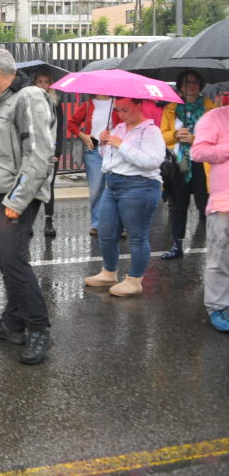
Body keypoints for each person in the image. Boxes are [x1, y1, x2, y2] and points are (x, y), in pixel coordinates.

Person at [0, 49, 56, 365]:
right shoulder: (4, 100)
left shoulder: (29, 97)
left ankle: (39, 328)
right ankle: (13, 322)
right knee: (9, 262)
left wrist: (17, 201)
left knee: (15, 261)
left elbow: (39, 154)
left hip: (16, 196)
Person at [83, 98, 165, 296]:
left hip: (140, 186)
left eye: (126, 110)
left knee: (137, 236)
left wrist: (121, 145)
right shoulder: (119, 128)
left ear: (139, 106)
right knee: (106, 232)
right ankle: (109, 271)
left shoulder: (150, 131)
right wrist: (104, 144)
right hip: (113, 184)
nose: (121, 114)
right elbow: (109, 159)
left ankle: (134, 280)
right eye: (119, 110)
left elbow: (153, 161)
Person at [160, 70, 218, 260]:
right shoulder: (170, 109)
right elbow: (162, 136)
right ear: (180, 88)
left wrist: (195, 139)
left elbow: (218, 137)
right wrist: (174, 135)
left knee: (206, 208)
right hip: (179, 164)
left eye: (194, 82)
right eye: (186, 83)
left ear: (200, 86)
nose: (191, 85)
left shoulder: (211, 109)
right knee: (178, 206)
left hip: (203, 165)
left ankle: (215, 247)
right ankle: (177, 245)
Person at [190, 105, 229, 332]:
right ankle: (218, 307)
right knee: (219, 258)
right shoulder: (214, 117)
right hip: (224, 201)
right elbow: (198, 151)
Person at [67, 94, 119, 236]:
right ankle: (97, 223)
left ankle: (118, 224)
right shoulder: (88, 105)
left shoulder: (118, 104)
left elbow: (125, 125)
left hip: (114, 150)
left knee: (117, 187)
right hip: (93, 151)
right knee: (96, 189)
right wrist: (83, 136)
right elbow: (71, 123)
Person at [33, 71, 66, 237]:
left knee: (48, 187)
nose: (43, 84)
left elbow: (60, 128)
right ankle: (28, 222)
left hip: (50, 151)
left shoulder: (55, 102)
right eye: (40, 81)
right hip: (32, 151)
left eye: (46, 81)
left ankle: (48, 222)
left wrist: (57, 152)